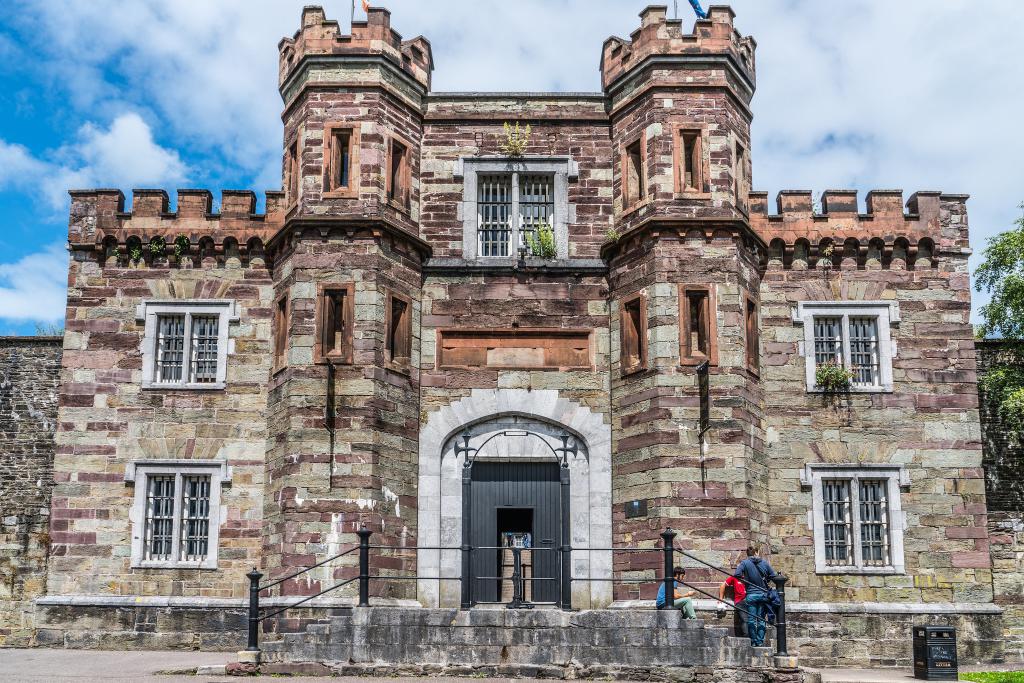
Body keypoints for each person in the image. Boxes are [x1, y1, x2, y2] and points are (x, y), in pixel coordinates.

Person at [732, 542, 779, 647]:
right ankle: (760, 641)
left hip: (751, 595)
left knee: (751, 620)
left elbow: (737, 574)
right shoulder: (764, 563)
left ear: (747, 554)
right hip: (763, 594)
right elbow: (773, 575)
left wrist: (746, 580)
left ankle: (753, 641)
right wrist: (766, 580)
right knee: (761, 619)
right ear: (756, 552)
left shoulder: (744, 563)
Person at [717, 569, 748, 638]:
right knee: (745, 619)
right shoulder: (735, 577)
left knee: (753, 620)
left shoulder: (749, 577)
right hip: (740, 601)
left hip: (750, 601)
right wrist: (721, 598)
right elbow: (723, 585)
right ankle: (747, 638)